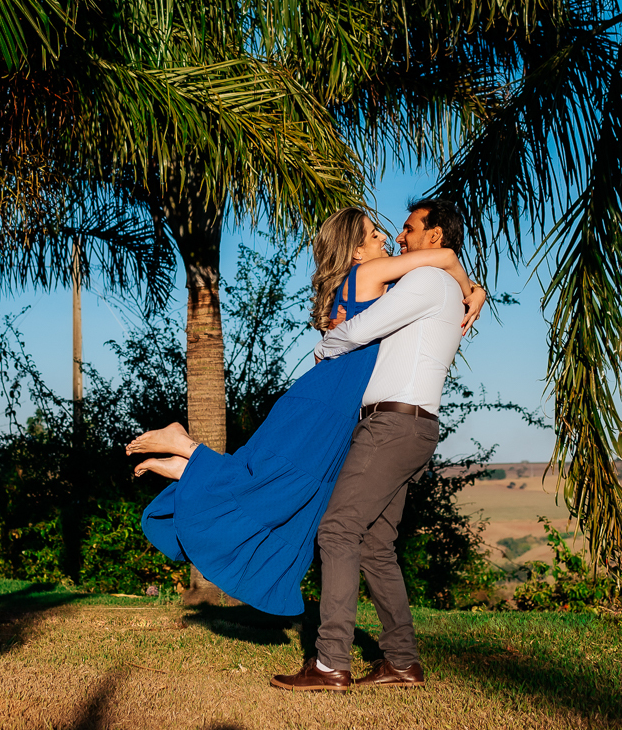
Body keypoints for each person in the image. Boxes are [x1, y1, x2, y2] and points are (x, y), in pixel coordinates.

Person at [127, 205, 485, 616]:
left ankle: (191, 467)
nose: (386, 239)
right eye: (374, 236)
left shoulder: (373, 279)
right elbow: (447, 257)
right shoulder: (369, 275)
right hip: (327, 400)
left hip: (335, 402)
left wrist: (471, 289)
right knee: (284, 481)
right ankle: (187, 448)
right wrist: (471, 288)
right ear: (355, 252)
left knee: (297, 489)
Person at [270, 199, 469, 692]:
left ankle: (330, 662)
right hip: (412, 428)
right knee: (377, 545)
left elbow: (362, 329)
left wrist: (324, 347)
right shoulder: (440, 285)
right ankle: (401, 661)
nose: (400, 237)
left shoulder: (426, 282)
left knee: (337, 530)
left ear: (435, 237)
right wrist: (475, 288)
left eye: (408, 229)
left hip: (391, 426)